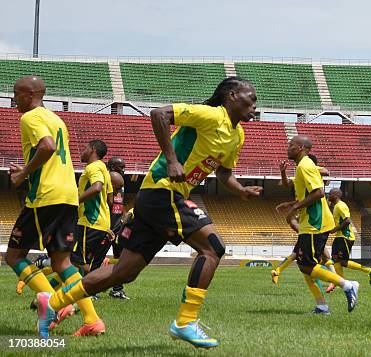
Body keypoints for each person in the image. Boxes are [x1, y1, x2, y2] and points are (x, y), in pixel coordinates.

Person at [36, 77, 262, 348]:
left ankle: (54, 302)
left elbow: (225, 173)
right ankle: (185, 322)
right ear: (232, 95)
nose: (254, 105)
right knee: (212, 248)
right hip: (162, 192)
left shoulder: (237, 135)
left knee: (123, 272)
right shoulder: (211, 115)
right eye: (251, 98)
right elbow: (159, 114)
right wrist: (172, 159)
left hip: (160, 199)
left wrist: (240, 190)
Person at [4, 76, 104, 338]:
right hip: (68, 194)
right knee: (62, 262)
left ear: (29, 94)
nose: (13, 99)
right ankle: (92, 320)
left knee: (14, 256)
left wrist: (24, 172)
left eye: (15, 94)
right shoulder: (56, 119)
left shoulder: (30, 118)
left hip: (45, 195)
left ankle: (49, 297)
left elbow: (47, 147)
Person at [276, 136, 359, 315]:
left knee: (306, 265)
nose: (288, 147)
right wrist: (291, 204)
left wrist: (294, 207)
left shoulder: (306, 166)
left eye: (291, 145)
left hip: (316, 222)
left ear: (300, 148)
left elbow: (319, 192)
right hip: (309, 222)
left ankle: (348, 285)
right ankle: (321, 306)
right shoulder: (301, 166)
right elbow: (295, 188)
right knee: (304, 265)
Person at [272, 153, 334, 286]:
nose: (298, 164)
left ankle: (335, 282)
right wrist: (283, 172)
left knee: (306, 254)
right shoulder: (301, 174)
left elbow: (326, 172)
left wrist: (311, 167)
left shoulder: (309, 170)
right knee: (313, 255)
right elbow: (286, 183)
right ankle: (335, 282)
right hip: (308, 217)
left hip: (311, 217)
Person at [71, 140, 113, 278]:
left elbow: (96, 187)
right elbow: (110, 199)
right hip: (101, 223)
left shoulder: (93, 167)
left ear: (93, 149)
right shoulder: (104, 170)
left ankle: (101, 281)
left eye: (85, 148)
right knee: (82, 261)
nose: (82, 151)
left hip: (90, 221)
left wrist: (76, 202)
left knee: (74, 258)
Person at [325, 188, 371, 293]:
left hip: (346, 237)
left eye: (330, 194)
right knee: (335, 260)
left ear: (336, 195)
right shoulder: (336, 206)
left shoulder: (341, 206)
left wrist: (334, 229)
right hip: (339, 237)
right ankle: (340, 283)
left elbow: (347, 221)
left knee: (342, 262)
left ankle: (368, 270)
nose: (328, 195)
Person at [106, 157, 130, 299]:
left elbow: (119, 202)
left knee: (120, 257)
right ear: (112, 167)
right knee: (96, 259)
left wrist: (125, 215)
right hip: (105, 225)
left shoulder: (120, 182)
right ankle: (91, 291)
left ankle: (117, 289)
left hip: (118, 226)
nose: (124, 169)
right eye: (121, 167)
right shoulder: (107, 180)